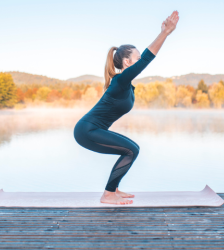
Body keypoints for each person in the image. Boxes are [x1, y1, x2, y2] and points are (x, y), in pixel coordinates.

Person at [74, 11, 180, 205]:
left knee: (133, 149)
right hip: (86, 130)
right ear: (127, 62)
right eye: (137, 58)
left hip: (91, 130)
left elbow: (144, 59)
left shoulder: (126, 85)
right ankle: (107, 195)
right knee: (130, 150)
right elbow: (148, 58)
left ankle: (113, 189)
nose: (140, 61)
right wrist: (165, 33)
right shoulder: (121, 79)